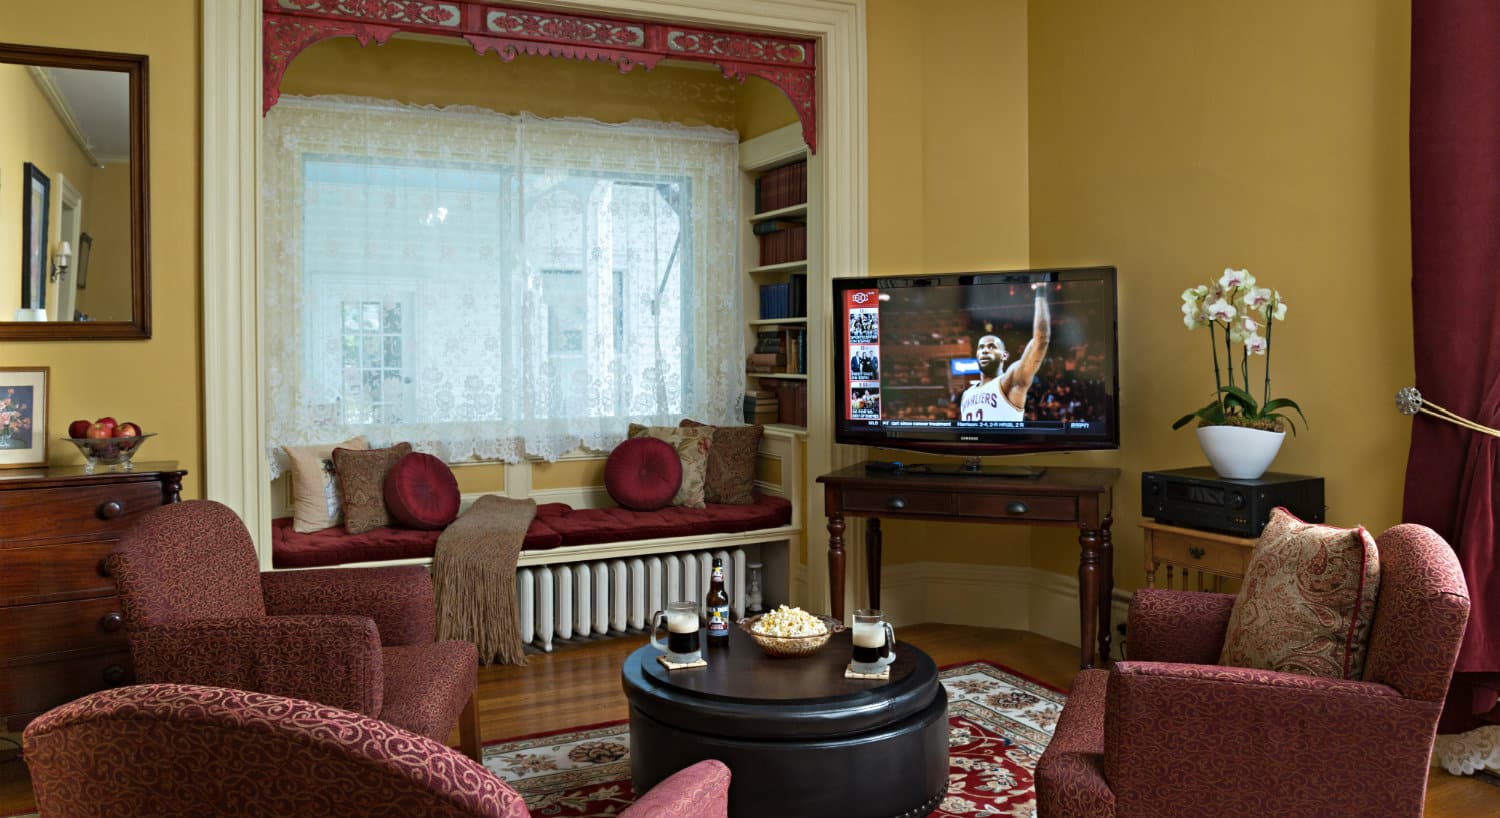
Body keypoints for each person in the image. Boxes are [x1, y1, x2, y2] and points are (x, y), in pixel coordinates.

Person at [959, 283, 1050, 421]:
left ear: (1004, 355)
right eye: (981, 347)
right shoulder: (966, 394)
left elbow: (1041, 340)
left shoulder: (1010, 380)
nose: (985, 351)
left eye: (991, 347)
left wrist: (1041, 291)